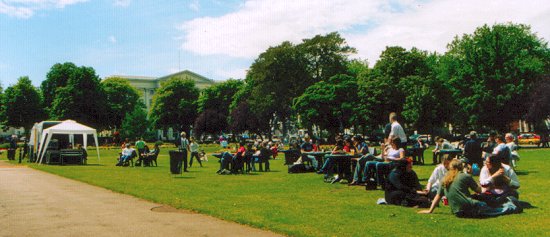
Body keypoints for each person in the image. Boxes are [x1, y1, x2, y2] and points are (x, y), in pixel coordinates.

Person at [419, 159, 521, 217]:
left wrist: (430, 210)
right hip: (471, 207)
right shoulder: (465, 176)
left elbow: (437, 196)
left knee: (489, 207)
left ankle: (505, 204)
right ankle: (512, 207)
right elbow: (480, 190)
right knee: (496, 211)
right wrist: (492, 179)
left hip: (457, 212)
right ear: (461, 167)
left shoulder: (445, 179)